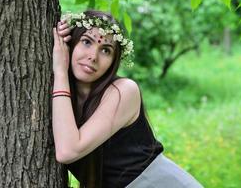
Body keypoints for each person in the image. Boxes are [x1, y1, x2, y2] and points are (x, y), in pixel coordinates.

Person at [52, 10, 203, 188]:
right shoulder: (62, 102)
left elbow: (67, 151)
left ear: (113, 61)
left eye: (105, 50)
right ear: (71, 42)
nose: (93, 56)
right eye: (86, 42)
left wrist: (60, 71)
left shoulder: (124, 91)